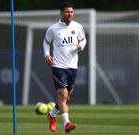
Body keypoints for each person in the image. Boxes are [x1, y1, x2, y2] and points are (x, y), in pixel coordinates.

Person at [43, 2, 86, 133]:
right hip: (58, 66)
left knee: (66, 98)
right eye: (67, 12)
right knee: (62, 94)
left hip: (73, 66)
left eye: (72, 12)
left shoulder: (78, 26)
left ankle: (51, 114)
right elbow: (46, 42)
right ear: (61, 13)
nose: (70, 14)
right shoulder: (53, 28)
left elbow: (83, 39)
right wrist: (47, 55)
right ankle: (67, 123)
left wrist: (81, 46)